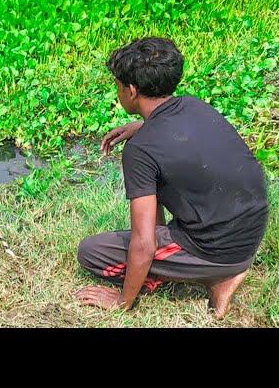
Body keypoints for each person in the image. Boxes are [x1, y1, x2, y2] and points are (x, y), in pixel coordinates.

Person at [74, 37, 268, 319]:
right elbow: (176, 134)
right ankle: (221, 271)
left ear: (131, 90)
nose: (117, 92)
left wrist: (123, 301)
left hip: (218, 251)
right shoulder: (193, 105)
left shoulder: (140, 152)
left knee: (91, 253)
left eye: (117, 86)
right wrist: (142, 126)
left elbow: (144, 243)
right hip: (250, 231)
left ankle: (219, 277)